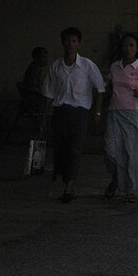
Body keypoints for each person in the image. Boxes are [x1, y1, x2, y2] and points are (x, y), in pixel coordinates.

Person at [42, 27, 106, 203]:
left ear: (79, 44)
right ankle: (67, 179)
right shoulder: (56, 66)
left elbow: (100, 89)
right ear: (62, 43)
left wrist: (97, 112)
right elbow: (48, 93)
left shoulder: (87, 66)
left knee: (75, 149)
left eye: (74, 41)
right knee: (61, 149)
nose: (70, 45)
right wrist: (45, 114)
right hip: (61, 112)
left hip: (80, 113)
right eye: (67, 41)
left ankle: (69, 185)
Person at [104, 34, 138, 203]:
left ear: (137, 48)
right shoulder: (115, 67)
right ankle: (118, 176)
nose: (128, 49)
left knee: (132, 150)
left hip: (132, 112)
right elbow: (109, 88)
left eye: (131, 45)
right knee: (110, 147)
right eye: (125, 45)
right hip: (114, 111)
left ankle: (132, 187)